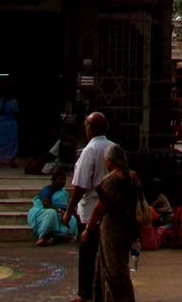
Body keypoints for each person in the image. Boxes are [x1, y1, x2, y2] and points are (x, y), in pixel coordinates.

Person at [79, 143, 140, 302]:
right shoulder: (132, 177)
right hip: (126, 228)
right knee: (121, 266)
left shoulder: (109, 181)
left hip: (112, 229)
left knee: (111, 271)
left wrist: (88, 229)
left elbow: (100, 207)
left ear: (111, 161)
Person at [63, 111, 112, 302]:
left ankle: (85, 294)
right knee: (105, 254)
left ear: (90, 129)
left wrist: (68, 211)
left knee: (87, 255)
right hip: (109, 210)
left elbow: (80, 185)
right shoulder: (113, 148)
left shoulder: (89, 151)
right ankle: (100, 291)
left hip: (92, 208)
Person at [29, 170, 78, 246]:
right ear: (53, 180)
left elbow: (67, 206)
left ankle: (57, 238)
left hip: (60, 214)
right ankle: (42, 237)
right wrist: (59, 211)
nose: (63, 182)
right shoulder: (47, 189)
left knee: (72, 219)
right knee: (51, 213)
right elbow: (46, 204)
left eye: (64, 180)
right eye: (60, 179)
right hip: (43, 212)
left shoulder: (64, 192)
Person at [0, 95, 19, 167]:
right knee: (8, 143)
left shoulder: (1, 102)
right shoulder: (2, 102)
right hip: (7, 123)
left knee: (3, 143)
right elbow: (16, 112)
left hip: (4, 124)